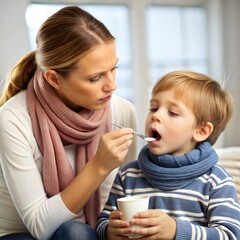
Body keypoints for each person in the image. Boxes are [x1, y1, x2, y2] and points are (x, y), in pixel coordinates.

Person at [0, 6, 138, 240]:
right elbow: (40, 226)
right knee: (75, 234)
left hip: (92, 230)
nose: (111, 86)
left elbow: (127, 195)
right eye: (95, 78)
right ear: (54, 78)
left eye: (113, 69)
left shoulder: (122, 111)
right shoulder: (12, 119)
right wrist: (98, 167)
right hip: (20, 233)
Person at [96, 70, 240, 240]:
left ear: (201, 131)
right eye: (154, 108)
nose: (155, 115)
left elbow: (230, 235)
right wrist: (109, 231)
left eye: (172, 112)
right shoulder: (129, 174)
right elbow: (102, 222)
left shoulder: (216, 181)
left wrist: (176, 231)